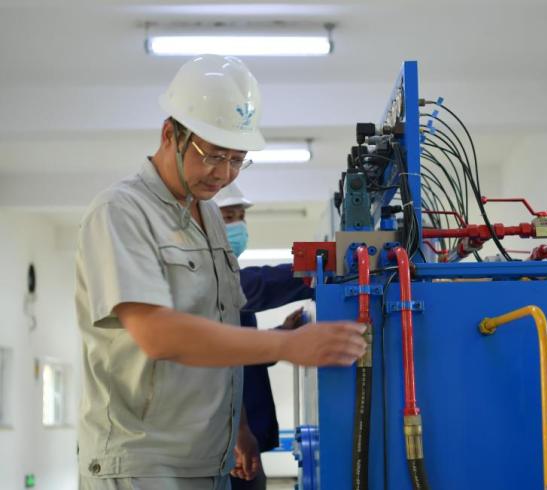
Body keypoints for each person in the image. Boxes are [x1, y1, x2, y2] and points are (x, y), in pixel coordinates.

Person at [75, 54, 366, 490]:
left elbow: (222, 321)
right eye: (213, 155)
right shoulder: (121, 212)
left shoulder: (209, 215)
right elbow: (158, 335)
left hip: (210, 460)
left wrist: (239, 427)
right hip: (142, 465)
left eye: (237, 159)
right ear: (170, 134)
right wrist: (287, 344)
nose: (224, 174)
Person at [214, 183, 314, 489]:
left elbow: (242, 347)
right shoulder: (206, 278)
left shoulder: (224, 272)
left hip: (242, 435)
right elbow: (256, 286)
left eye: (241, 217)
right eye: (228, 217)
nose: (238, 226)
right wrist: (314, 271)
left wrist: (281, 336)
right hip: (225, 439)